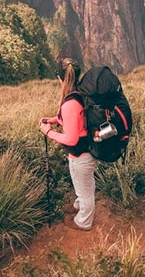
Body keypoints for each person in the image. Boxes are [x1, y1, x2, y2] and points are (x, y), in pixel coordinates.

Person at [39, 57, 96, 231]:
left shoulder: (70, 103)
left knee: (85, 190)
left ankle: (83, 222)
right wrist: (54, 120)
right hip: (83, 152)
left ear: (60, 77)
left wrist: (48, 132)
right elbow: (75, 119)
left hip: (81, 154)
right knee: (83, 184)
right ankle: (79, 206)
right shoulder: (78, 93)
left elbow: (71, 139)